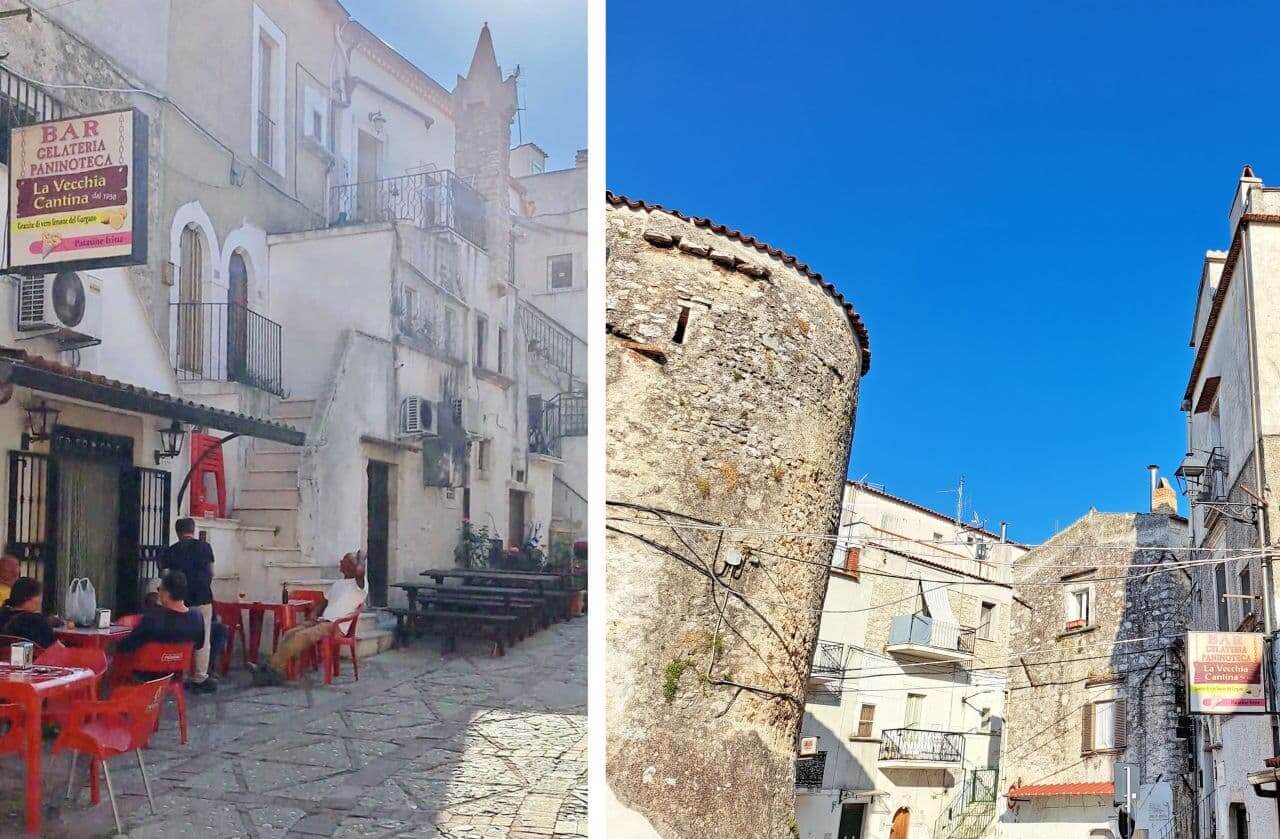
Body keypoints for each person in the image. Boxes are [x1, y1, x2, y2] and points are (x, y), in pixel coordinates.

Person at [250, 551, 367, 687]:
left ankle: (268, 669)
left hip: (336, 626)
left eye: (345, 561)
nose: (340, 562)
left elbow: (360, 570)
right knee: (290, 633)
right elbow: (323, 603)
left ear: (353, 566)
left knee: (300, 636)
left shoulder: (359, 585)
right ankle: (276, 670)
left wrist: (361, 555)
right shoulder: (338, 584)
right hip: (322, 621)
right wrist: (314, 614)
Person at [116, 570, 206, 683]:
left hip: (144, 676)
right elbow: (199, 645)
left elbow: (125, 646)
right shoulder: (197, 617)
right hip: (175, 675)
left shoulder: (152, 619)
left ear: (166, 594)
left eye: (159, 589)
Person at [158, 518, 215, 691]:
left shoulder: (171, 551)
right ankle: (199, 676)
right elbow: (211, 571)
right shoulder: (205, 548)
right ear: (193, 529)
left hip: (179, 600)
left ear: (177, 532)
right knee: (203, 639)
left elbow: (165, 576)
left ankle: (178, 673)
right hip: (203, 597)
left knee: (179, 637)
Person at [0, 577, 64, 649]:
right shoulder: (37, 621)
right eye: (40, 596)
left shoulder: (2, 615)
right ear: (31, 598)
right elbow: (59, 649)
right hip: (33, 656)